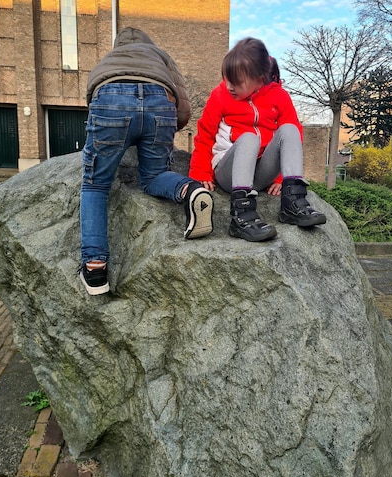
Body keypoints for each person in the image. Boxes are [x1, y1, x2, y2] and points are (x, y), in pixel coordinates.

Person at [79, 27, 213, 295]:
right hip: (160, 102)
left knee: (95, 185)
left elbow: (93, 100)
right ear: (148, 44)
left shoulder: (110, 59)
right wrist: (166, 129)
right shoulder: (160, 56)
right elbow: (183, 108)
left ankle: (95, 269)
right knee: (153, 177)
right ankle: (190, 190)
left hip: (111, 100)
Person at [189, 37, 325, 242]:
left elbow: (291, 138)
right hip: (229, 173)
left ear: (260, 79)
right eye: (227, 79)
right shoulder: (220, 96)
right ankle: (241, 216)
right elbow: (205, 135)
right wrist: (200, 172)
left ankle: (293, 203)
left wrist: (281, 178)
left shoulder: (279, 96)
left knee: (290, 129)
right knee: (249, 138)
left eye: (236, 82)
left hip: (260, 174)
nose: (229, 86)